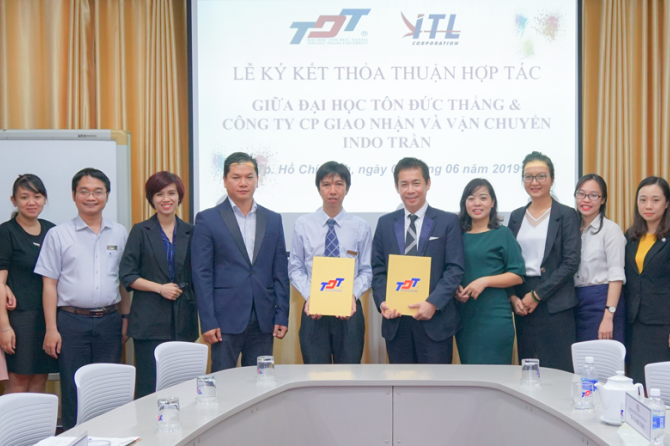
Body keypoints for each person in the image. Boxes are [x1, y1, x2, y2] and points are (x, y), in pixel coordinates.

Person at [34, 168, 130, 430]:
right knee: (73, 387)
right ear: (74, 195)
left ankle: (107, 437)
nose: (91, 197)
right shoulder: (58, 234)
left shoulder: (119, 233)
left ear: (107, 195)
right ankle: (74, 439)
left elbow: (123, 281)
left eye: (98, 191)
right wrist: (51, 329)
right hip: (71, 322)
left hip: (110, 320)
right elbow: (49, 285)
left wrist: (125, 318)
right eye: (84, 191)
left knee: (107, 388)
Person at [192, 152, 290, 372]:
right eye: (236, 177)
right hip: (224, 319)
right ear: (225, 180)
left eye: (249, 177)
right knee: (223, 381)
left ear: (257, 180)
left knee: (261, 381)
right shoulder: (207, 219)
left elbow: (280, 271)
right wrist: (207, 321)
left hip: (263, 318)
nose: (243, 183)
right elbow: (201, 273)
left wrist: (282, 314)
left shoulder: (273, 219)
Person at [371, 157, 464, 364]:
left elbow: (454, 268)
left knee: (436, 383)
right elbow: (378, 270)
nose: (410, 190)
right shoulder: (385, 223)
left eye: (416, 183)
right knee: (400, 383)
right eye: (404, 184)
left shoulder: (448, 221)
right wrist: (383, 301)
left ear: (428, 183)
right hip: (397, 323)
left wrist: (433, 303)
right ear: (396, 187)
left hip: (435, 322)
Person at [119, 171, 199, 398]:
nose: (166, 199)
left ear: (179, 197)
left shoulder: (192, 231)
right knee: (149, 387)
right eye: (159, 194)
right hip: (149, 321)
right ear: (151, 199)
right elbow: (127, 274)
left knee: (183, 388)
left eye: (171, 193)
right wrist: (160, 288)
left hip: (183, 319)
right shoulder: (140, 230)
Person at [289, 161, 372, 364]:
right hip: (313, 310)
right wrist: (311, 296)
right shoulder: (303, 224)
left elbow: (366, 270)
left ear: (347, 189)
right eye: (326, 184)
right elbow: (296, 268)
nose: (332, 191)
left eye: (339, 184)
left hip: (350, 310)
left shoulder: (361, 226)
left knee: (349, 375)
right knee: (315, 375)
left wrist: (351, 295)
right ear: (319, 189)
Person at [507, 152, 580, 373]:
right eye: (528, 177)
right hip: (523, 300)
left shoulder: (566, 214)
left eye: (541, 176)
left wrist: (537, 295)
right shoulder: (516, 216)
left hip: (555, 299)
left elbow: (571, 262)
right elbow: (509, 261)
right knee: (528, 367)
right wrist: (513, 297)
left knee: (558, 369)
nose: (534, 182)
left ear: (552, 179)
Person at [454, 179, 525, 364]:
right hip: (465, 317)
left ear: (492, 202)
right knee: (470, 374)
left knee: (496, 375)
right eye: (471, 198)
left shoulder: (503, 233)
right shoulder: (456, 235)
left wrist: (485, 281)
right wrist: (454, 288)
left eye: (483, 198)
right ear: (464, 203)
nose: (477, 203)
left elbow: (517, 275)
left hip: (494, 316)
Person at [0, 175, 59, 393]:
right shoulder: (6, 232)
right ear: (14, 201)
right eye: (24, 197)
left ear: (45, 199)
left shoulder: (52, 231)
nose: (31, 202)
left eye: (37, 196)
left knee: (40, 379)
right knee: (18, 380)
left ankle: (37, 419)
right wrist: (4, 327)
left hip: (47, 318)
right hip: (18, 319)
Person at [625, 176, 670, 387]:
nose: (648, 206)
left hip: (662, 324)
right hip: (634, 321)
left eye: (655, 200)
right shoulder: (631, 236)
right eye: (643, 200)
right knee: (637, 382)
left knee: (659, 386)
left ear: (667, 203)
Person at [573, 174, 626, 343]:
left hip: (602, 303)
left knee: (601, 356)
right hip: (575, 303)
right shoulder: (571, 229)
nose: (586, 200)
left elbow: (616, 276)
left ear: (603, 200)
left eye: (593, 195)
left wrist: (609, 316)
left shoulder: (611, 230)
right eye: (581, 194)